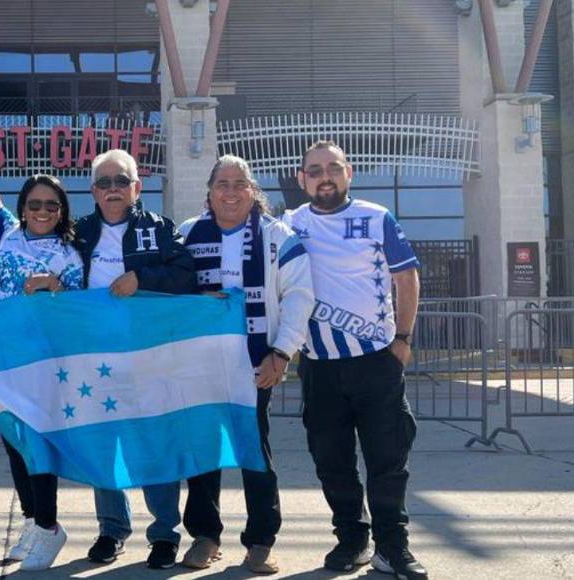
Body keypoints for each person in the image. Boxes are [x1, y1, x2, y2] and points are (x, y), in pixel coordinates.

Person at [286, 140, 427, 579]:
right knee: (332, 461)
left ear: (349, 173)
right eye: (315, 170)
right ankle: (351, 540)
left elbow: (406, 277)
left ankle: (393, 547)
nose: (324, 176)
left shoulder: (376, 217)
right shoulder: (288, 224)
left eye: (333, 168)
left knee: (388, 459)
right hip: (319, 365)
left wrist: (402, 340)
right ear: (301, 179)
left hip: (375, 362)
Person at [0, 106, 83, 570]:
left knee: (37, 443)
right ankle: (32, 519)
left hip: (45, 363)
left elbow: (81, 308)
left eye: (52, 205)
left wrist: (56, 286)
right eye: (34, 204)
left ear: (62, 210)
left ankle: (48, 525)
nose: (42, 211)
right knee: (12, 441)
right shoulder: (5, 232)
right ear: (23, 208)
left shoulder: (71, 253)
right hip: (3, 358)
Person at [177, 155, 314, 574]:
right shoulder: (186, 235)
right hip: (200, 364)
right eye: (223, 184)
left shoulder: (279, 237)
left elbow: (299, 296)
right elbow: (169, 291)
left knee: (254, 451)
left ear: (253, 191)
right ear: (210, 192)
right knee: (203, 451)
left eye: (240, 184)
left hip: (256, 362)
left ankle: (260, 540)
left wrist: (282, 351)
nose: (231, 192)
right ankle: (205, 535)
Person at [72, 149, 197, 569]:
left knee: (155, 444)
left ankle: (164, 534)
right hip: (96, 361)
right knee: (105, 447)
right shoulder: (79, 233)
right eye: (104, 183)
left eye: (121, 181)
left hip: (150, 359)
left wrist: (142, 278)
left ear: (137, 187)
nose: (113, 189)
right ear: (93, 192)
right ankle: (111, 529)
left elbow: (186, 276)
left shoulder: (159, 229)